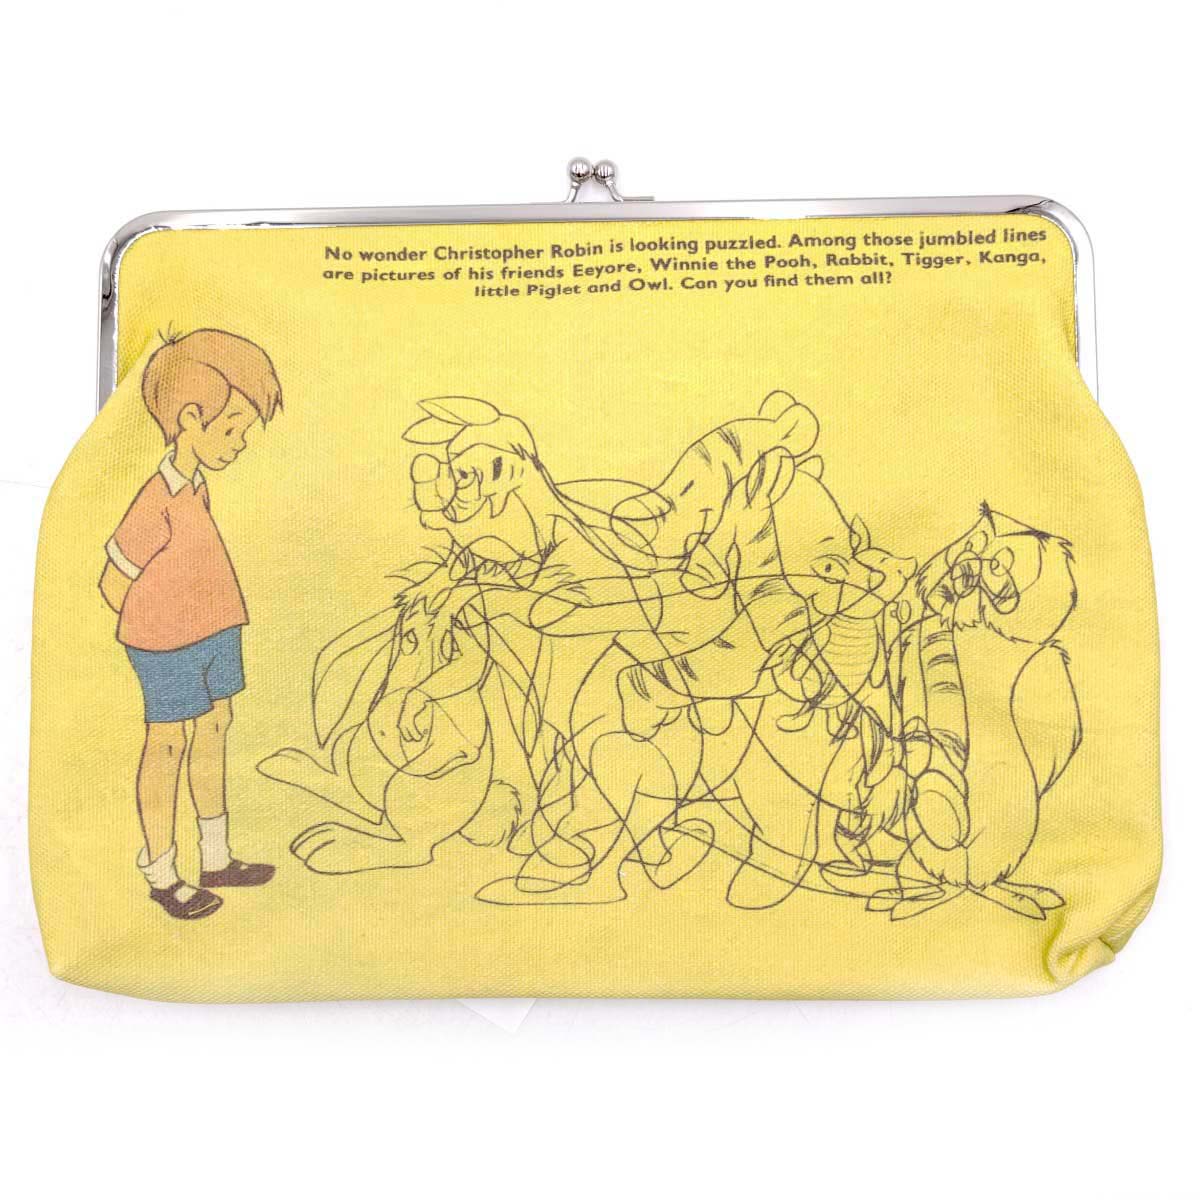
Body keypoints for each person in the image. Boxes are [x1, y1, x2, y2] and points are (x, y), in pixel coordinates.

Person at [99, 328, 282, 919]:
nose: (240, 444)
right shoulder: (155, 499)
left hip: (216, 631)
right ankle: (161, 873)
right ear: (190, 419)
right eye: (231, 430)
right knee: (168, 743)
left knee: (215, 727)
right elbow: (113, 584)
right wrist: (159, 630)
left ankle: (216, 858)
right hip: (169, 645)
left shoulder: (197, 489)